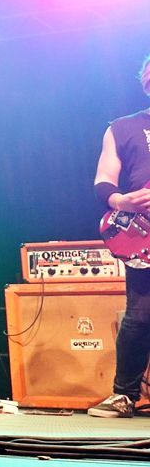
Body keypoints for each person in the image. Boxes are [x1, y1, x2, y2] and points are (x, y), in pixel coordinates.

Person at [89, 54, 150, 418]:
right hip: (144, 236)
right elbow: (103, 180)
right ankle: (124, 395)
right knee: (139, 317)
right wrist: (121, 200)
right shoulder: (122, 128)